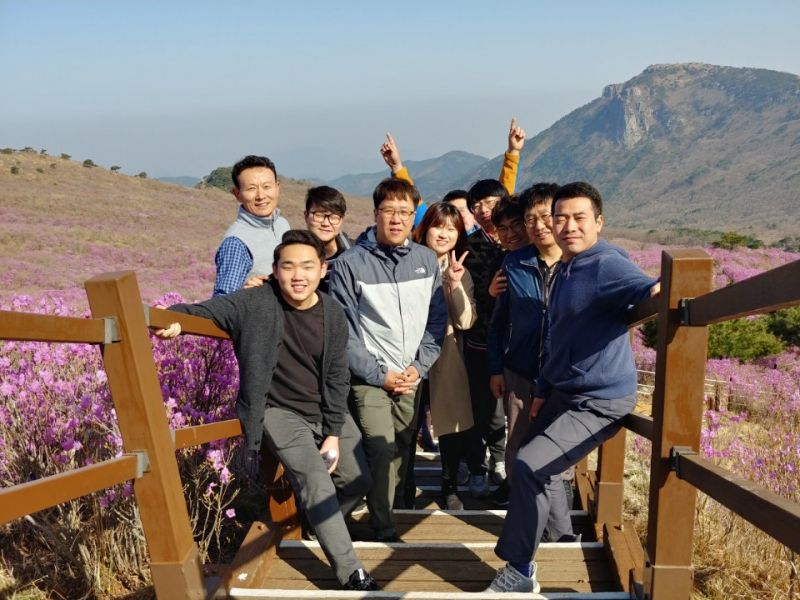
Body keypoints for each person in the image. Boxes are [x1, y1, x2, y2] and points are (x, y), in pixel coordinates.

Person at [155, 230, 378, 591]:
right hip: (277, 411)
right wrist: (176, 319)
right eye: (288, 266)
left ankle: (317, 520)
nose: (298, 275)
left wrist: (334, 433)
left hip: (324, 411)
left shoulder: (332, 312)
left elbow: (338, 376)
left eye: (307, 266)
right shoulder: (256, 302)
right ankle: (352, 573)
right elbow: (208, 310)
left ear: (323, 270)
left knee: (359, 480)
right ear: (275, 270)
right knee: (316, 480)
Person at [486, 182, 660, 593]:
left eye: (579, 218)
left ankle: (520, 569)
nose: (567, 226)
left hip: (597, 399)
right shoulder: (566, 267)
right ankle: (557, 541)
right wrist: (544, 387)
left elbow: (650, 288)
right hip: (561, 392)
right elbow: (561, 337)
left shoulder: (604, 262)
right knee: (531, 465)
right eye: (560, 218)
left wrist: (671, 298)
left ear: (599, 222)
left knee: (530, 464)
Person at [329, 177, 447, 541]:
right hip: (370, 379)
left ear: (414, 217)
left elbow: (436, 321)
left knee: (400, 450)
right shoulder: (350, 264)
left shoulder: (426, 260)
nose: (396, 219)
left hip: (411, 376)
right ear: (375, 213)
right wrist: (380, 374)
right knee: (380, 448)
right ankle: (384, 528)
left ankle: (386, 512)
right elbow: (345, 331)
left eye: (404, 212)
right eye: (389, 211)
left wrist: (418, 367)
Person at [486, 185, 567, 510]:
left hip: (561, 374)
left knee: (558, 444)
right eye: (530, 219)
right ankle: (519, 505)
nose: (538, 225)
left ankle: (555, 512)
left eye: (545, 217)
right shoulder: (514, 262)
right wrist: (496, 369)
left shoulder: (577, 262)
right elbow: (498, 322)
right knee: (517, 441)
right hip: (519, 370)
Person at [412, 202, 476, 510]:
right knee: (407, 424)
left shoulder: (461, 270)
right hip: (407, 356)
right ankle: (402, 486)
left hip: (444, 356)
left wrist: (454, 284)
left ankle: (449, 486)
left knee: (450, 427)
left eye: (452, 229)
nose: (444, 234)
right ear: (424, 229)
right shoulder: (406, 262)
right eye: (438, 226)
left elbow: (466, 321)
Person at [213, 155, 290, 296]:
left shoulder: (282, 224)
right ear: (237, 194)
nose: (261, 196)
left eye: (267, 187)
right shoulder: (236, 242)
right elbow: (222, 300)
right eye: (251, 189)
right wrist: (245, 294)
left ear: (277, 187)